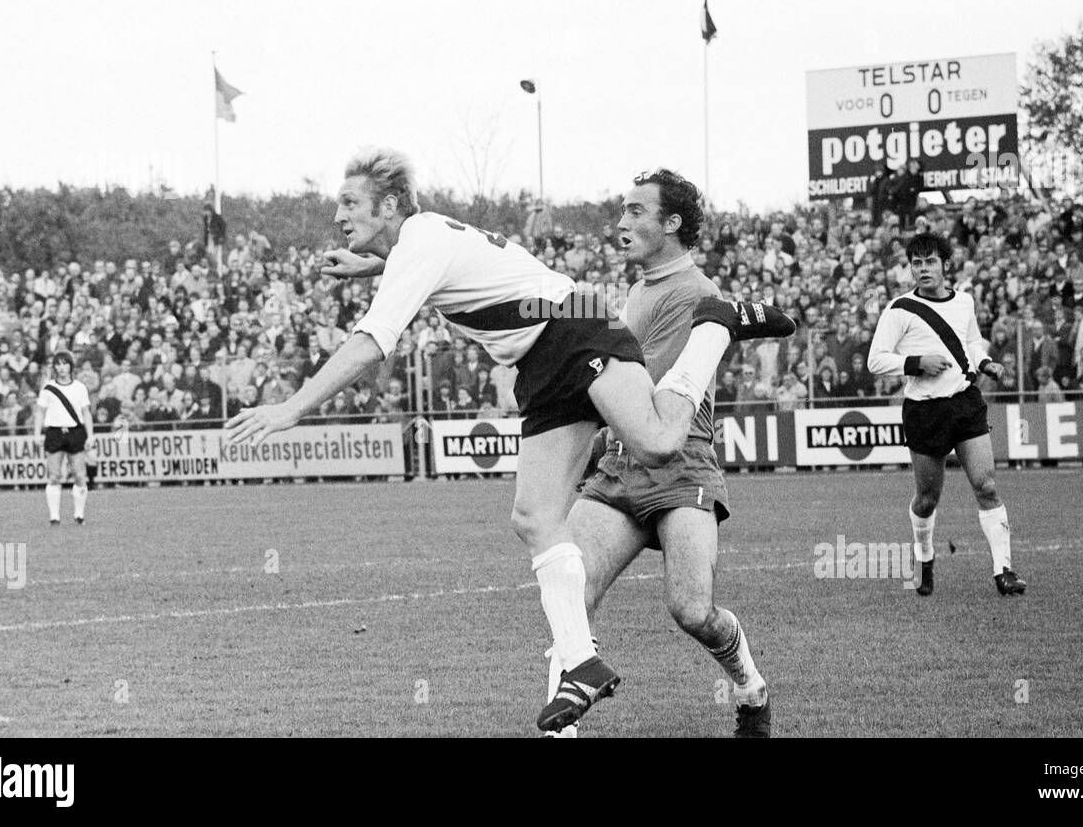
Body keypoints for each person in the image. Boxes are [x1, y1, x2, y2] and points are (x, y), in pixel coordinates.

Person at [224, 149, 794, 733]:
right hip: (543, 360)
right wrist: (374, 265)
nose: (338, 216)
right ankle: (582, 665)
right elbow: (464, 268)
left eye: (350, 203)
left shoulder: (421, 241)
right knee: (532, 517)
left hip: (571, 331)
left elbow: (373, 340)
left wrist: (293, 407)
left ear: (390, 205)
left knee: (657, 442)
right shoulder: (424, 239)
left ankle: (717, 324)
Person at [548, 169, 773, 738]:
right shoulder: (642, 288)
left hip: (681, 463)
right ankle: (558, 733)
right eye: (622, 212)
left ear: (671, 224)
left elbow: (650, 389)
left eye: (635, 212)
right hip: (624, 460)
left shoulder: (695, 294)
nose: (621, 223)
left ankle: (749, 686)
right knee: (571, 592)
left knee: (693, 612)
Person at [867, 234, 1026, 598]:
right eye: (917, 263)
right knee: (927, 498)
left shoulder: (964, 302)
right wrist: (916, 363)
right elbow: (876, 360)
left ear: (946, 265)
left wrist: (986, 362)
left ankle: (1004, 571)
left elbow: (970, 342)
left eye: (930, 262)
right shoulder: (899, 309)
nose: (923, 269)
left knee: (986, 485)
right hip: (925, 410)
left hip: (965, 400)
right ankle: (924, 557)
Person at [33, 350, 94, 525]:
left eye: (64, 363)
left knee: (80, 475)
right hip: (54, 432)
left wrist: (90, 435)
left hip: (76, 432)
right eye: (58, 364)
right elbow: (40, 412)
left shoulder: (80, 387)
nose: (61, 368)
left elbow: (86, 412)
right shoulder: (48, 388)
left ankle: (79, 514)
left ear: (71, 366)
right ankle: (54, 516)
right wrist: (37, 433)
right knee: (54, 475)